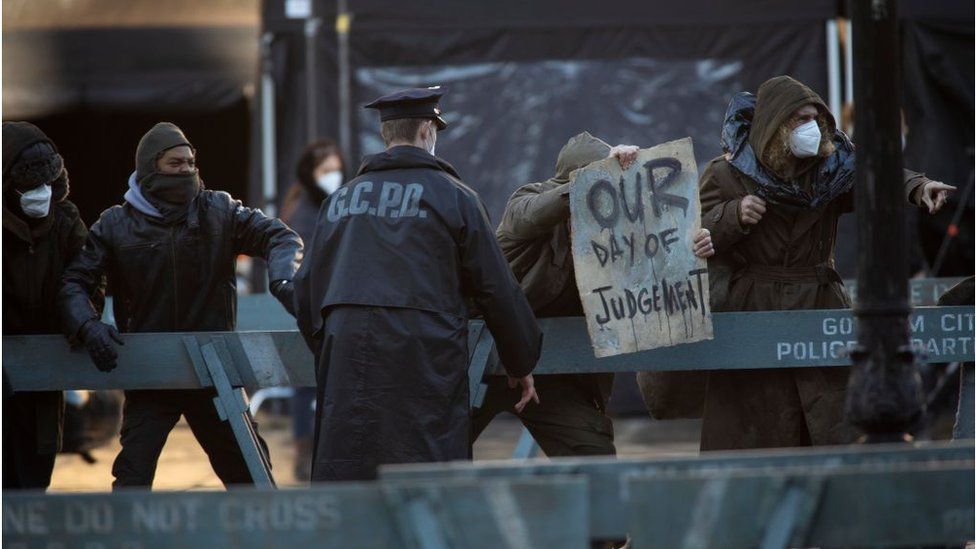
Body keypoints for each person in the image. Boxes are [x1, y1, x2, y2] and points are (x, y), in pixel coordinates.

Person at [294, 87, 543, 481]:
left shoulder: (339, 201)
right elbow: (496, 287)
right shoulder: (456, 196)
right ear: (429, 130)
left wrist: (331, 344)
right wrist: (521, 359)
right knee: (427, 470)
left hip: (348, 351)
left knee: (349, 465)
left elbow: (307, 288)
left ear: (386, 134)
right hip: (425, 352)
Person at [698, 75, 955, 450]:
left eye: (816, 118)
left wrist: (918, 187)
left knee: (830, 419)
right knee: (754, 424)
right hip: (753, 309)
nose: (812, 128)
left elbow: (877, 176)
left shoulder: (832, 170)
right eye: (799, 119)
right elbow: (693, 235)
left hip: (820, 305)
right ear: (774, 123)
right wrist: (732, 215)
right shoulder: (726, 173)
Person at [59, 122, 303, 488]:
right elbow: (74, 282)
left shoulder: (219, 210)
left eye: (191, 162)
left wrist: (283, 278)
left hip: (215, 374)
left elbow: (278, 235)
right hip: (150, 374)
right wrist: (87, 325)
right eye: (176, 163)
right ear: (150, 167)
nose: (187, 170)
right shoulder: (115, 225)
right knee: (132, 481)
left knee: (251, 477)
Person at [486, 132, 715, 456]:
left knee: (594, 458)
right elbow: (531, 213)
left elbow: (658, 264)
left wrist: (694, 243)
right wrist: (596, 180)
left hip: (558, 377)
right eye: (604, 190)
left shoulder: (615, 230)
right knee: (437, 451)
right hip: (491, 362)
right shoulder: (530, 200)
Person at [3, 122, 102, 490]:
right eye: (29, 184)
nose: (40, 193)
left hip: (45, 366)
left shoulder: (65, 220)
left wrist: (83, 322)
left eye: (46, 181)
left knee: (33, 471)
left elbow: (86, 275)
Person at [279, 139, 346, 481]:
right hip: (314, 308)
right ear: (310, 174)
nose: (333, 176)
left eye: (336, 169)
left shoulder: (334, 204)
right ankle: (305, 453)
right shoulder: (306, 212)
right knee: (306, 385)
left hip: (326, 305)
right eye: (326, 171)